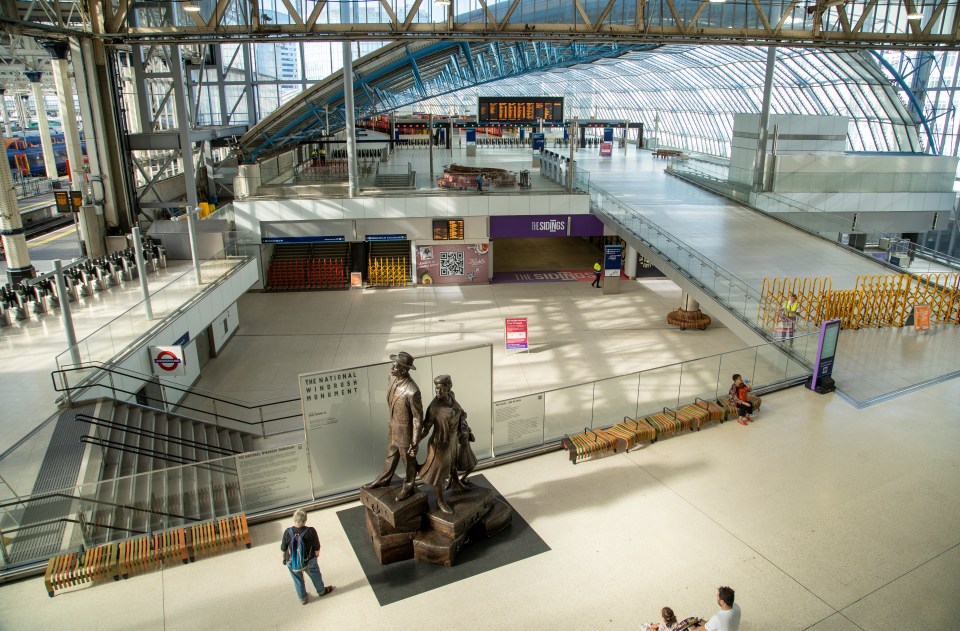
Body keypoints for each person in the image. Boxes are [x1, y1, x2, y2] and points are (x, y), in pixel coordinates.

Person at [362, 351, 424, 501]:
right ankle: (384, 479)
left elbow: (417, 418)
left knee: (408, 461)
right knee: (390, 455)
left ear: (403, 369)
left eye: (395, 366)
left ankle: (409, 484)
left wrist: (415, 441)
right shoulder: (391, 379)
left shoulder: (412, 391)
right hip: (393, 427)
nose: (392, 367)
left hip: (405, 433)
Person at [419, 375, 466, 513]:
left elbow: (458, 412)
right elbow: (426, 428)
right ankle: (440, 500)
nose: (438, 392)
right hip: (439, 444)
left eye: (441, 389)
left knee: (452, 463)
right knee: (438, 474)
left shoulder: (452, 396)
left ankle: (456, 482)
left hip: (452, 440)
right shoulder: (434, 407)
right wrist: (415, 442)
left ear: (448, 387)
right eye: (436, 389)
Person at [280, 508, 335, 605]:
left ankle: (303, 598)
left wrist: (284, 559)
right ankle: (321, 591)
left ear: (294, 519)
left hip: (292, 561)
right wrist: (316, 555)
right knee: (315, 575)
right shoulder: (311, 531)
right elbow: (317, 547)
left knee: (297, 579)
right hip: (309, 560)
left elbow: (283, 548)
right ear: (305, 520)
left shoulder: (287, 532)